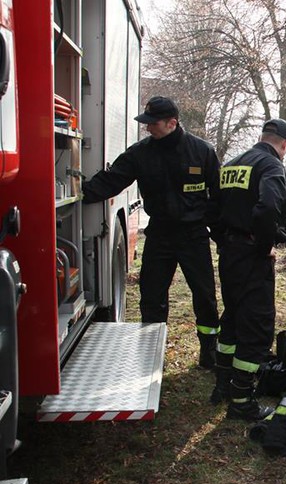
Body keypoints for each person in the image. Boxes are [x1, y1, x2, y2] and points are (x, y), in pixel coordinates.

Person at [82, 95, 221, 369]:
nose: (147, 128)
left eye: (152, 123)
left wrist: (221, 234)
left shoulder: (202, 151)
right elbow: (113, 180)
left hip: (193, 235)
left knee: (204, 295)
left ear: (172, 123)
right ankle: (151, 352)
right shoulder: (140, 153)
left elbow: (217, 198)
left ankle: (209, 353)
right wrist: (80, 193)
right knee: (152, 296)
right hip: (160, 235)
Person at [208, 118, 286, 421]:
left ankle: (222, 386)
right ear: (285, 144)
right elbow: (267, 210)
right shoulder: (272, 166)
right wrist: (265, 246)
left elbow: (213, 208)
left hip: (230, 254)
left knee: (232, 318)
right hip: (252, 255)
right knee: (257, 328)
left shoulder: (233, 164)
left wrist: (224, 241)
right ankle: (241, 401)